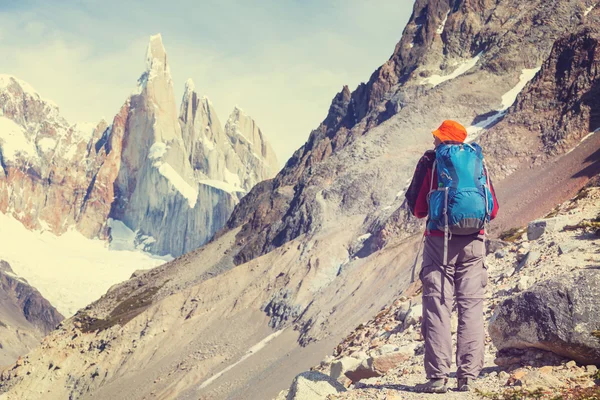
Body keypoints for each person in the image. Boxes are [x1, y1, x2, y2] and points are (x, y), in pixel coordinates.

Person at [404, 120, 499, 393]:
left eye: (437, 137)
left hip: (439, 245)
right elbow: (491, 210)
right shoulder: (477, 162)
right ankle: (468, 376)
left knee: (438, 307)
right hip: (474, 243)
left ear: (443, 140)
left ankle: (437, 378)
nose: (434, 141)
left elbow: (418, 208)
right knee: (471, 307)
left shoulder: (432, 162)